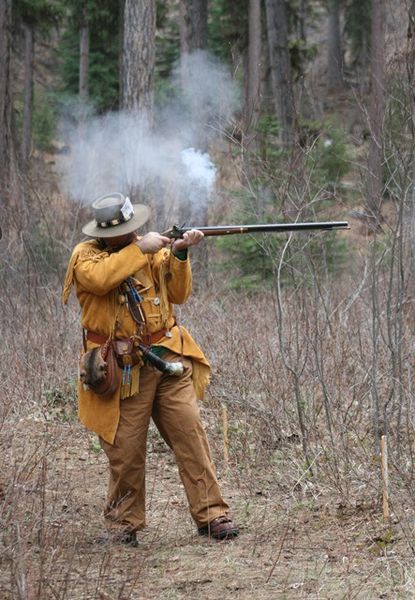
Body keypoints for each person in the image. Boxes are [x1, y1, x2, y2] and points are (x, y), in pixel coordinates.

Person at [63, 192, 239, 545]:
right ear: (103, 234)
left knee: (191, 439)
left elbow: (178, 293)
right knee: (125, 452)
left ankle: (212, 515)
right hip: (123, 370)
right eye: (124, 232)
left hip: (169, 359)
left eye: (133, 230)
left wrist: (179, 253)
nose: (131, 235)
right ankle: (122, 525)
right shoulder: (87, 256)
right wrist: (140, 248)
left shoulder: (149, 250)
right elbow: (101, 279)